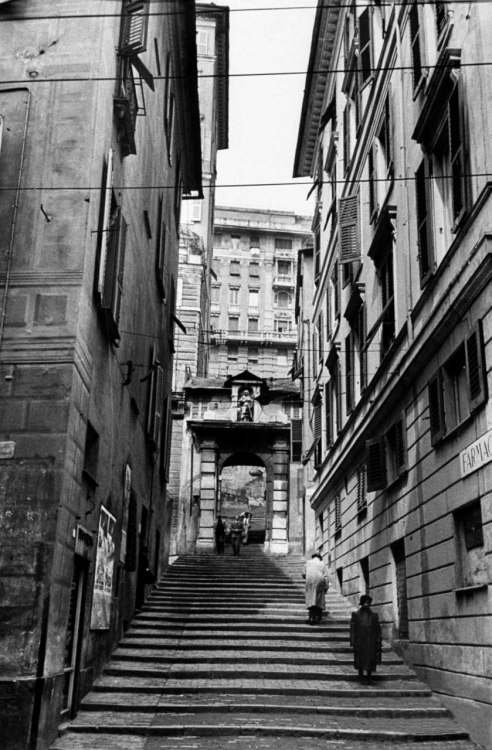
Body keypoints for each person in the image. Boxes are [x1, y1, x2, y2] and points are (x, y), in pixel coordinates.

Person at [350, 594, 382, 684]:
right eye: (364, 603)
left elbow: (378, 629)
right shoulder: (356, 615)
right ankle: (361, 676)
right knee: (360, 659)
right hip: (360, 641)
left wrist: (378, 641)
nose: (366, 605)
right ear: (361, 603)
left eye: (368, 603)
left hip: (370, 641)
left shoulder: (374, 616)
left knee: (370, 659)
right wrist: (353, 641)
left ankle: (369, 677)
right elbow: (353, 629)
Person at [302, 552, 328, 624]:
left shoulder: (308, 562)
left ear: (313, 557)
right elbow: (326, 576)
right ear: (319, 557)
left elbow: (303, 574)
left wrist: (307, 577)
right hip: (320, 581)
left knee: (311, 598)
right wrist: (326, 587)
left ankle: (311, 617)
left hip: (310, 581)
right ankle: (317, 617)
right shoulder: (322, 563)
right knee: (319, 599)